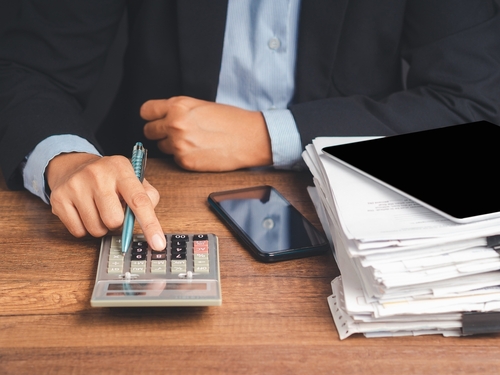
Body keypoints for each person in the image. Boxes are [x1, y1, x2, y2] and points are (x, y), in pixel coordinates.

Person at [1, 0, 500, 250]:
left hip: (351, 215)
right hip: (144, 196)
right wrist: (63, 158)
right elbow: (25, 67)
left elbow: (474, 104)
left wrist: (267, 133)